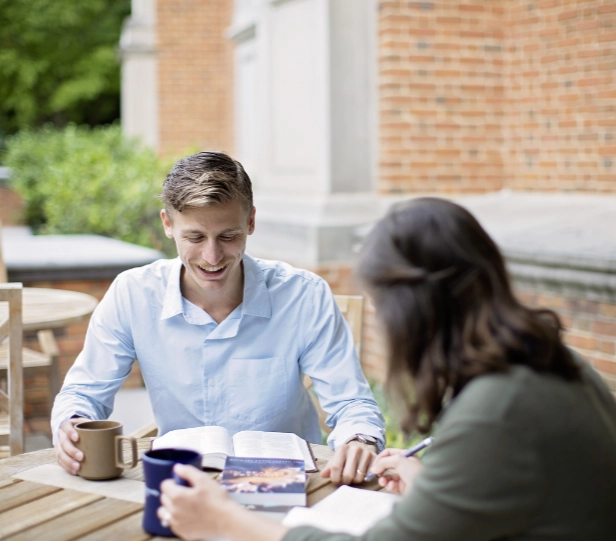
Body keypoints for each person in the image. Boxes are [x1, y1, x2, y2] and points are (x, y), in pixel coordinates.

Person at [157, 197, 616, 541]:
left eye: (380, 307)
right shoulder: (546, 361)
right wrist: (434, 489)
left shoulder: (496, 410)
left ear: (411, 311)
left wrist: (228, 523)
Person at [51, 151, 385, 485]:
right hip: (183, 480)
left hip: (288, 481)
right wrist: (73, 423)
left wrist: (360, 440)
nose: (212, 257)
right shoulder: (133, 294)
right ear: (168, 224)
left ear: (251, 222)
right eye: (195, 237)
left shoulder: (304, 295)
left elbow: (352, 402)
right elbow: (83, 393)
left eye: (228, 236)